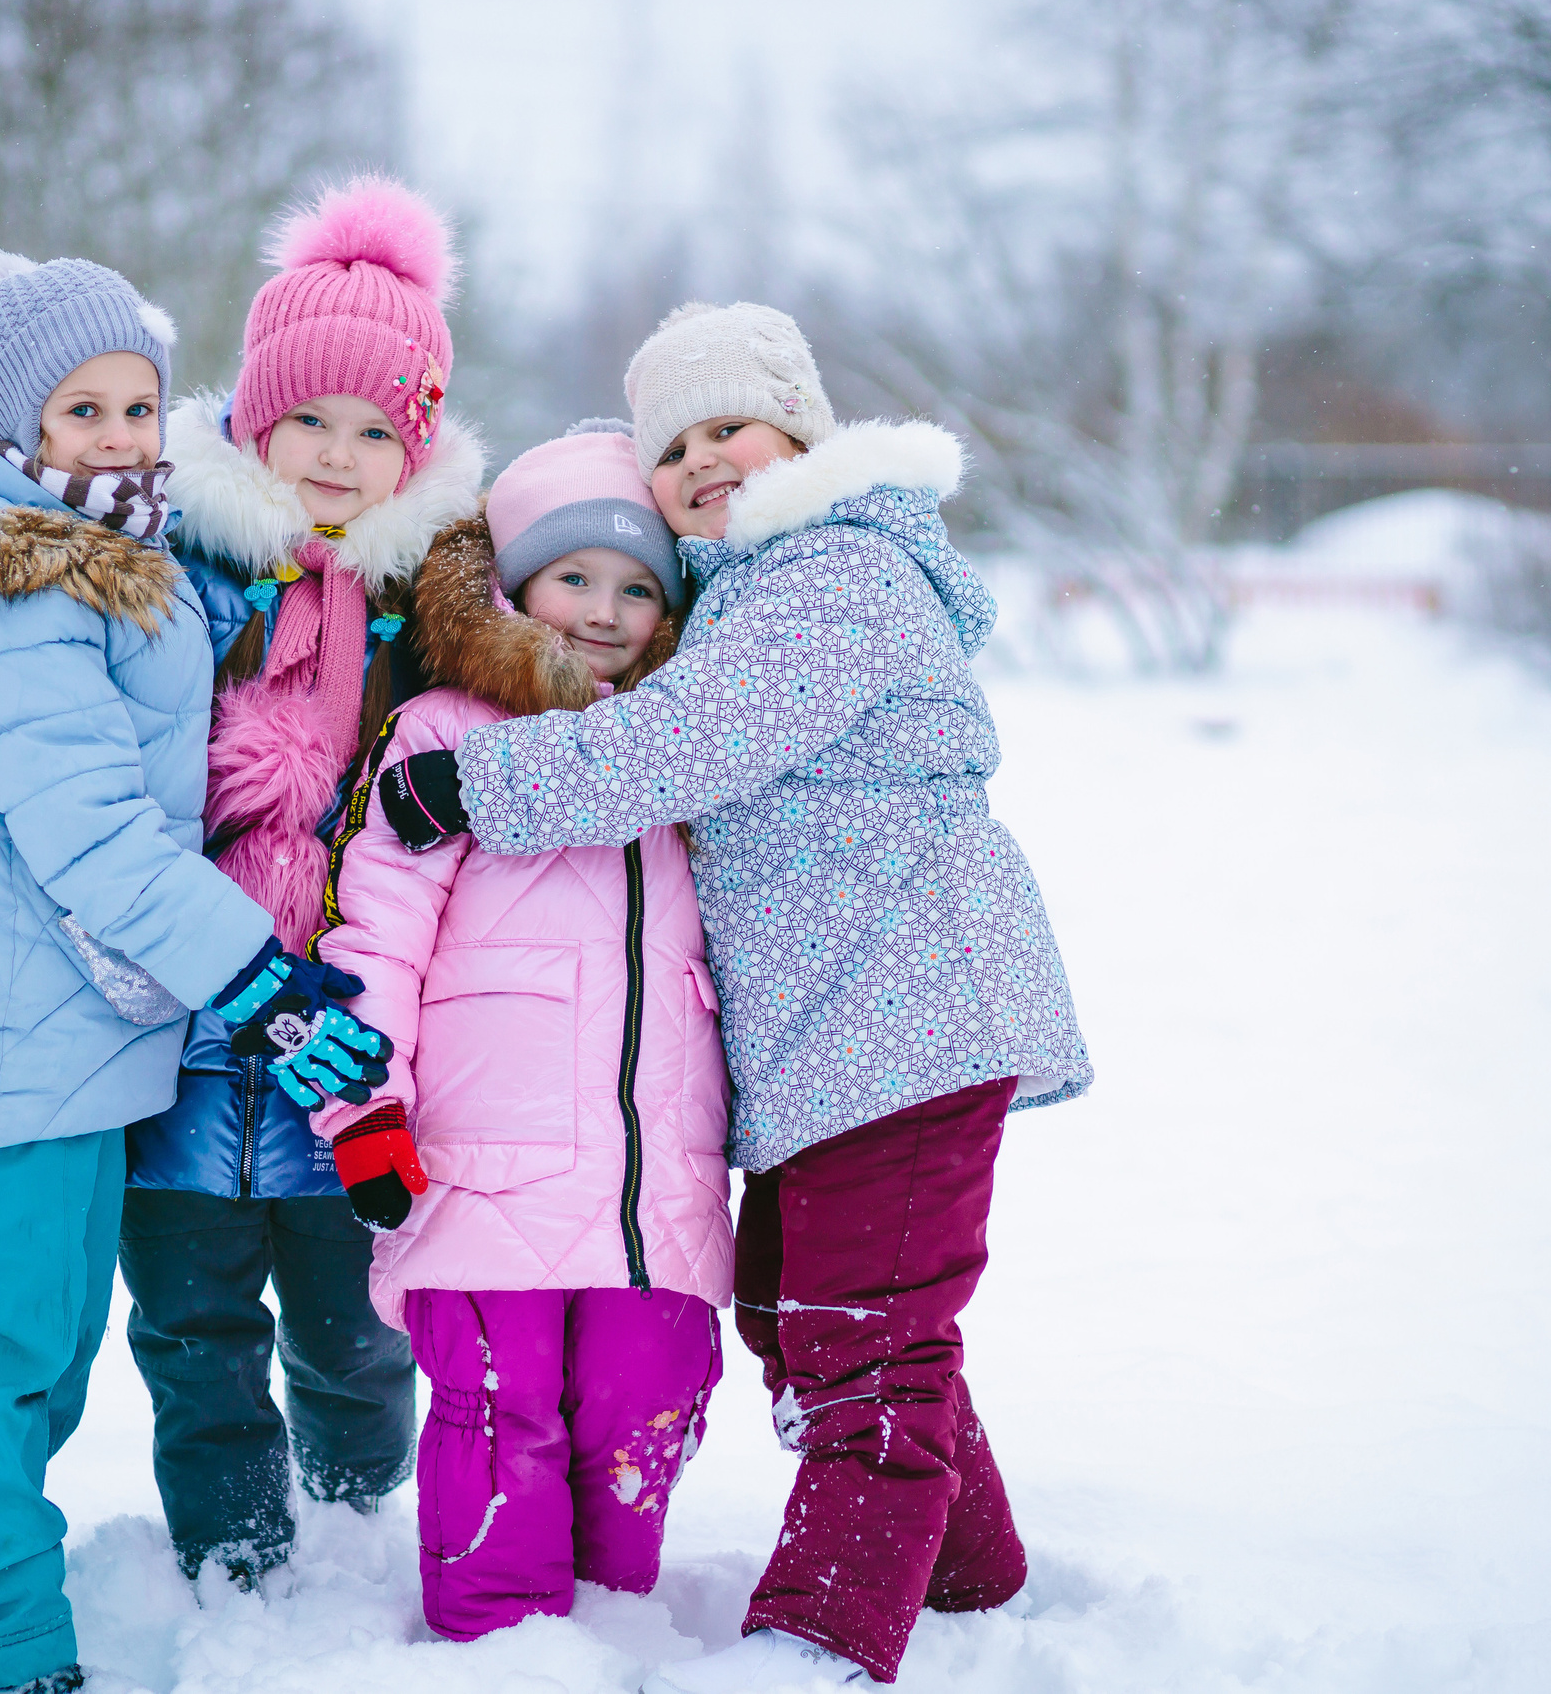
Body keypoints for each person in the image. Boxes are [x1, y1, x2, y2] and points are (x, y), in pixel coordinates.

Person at [368, 302, 1093, 1690]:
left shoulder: (836, 572)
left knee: (861, 1338)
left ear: (802, 432)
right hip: (838, 1035)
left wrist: (481, 781)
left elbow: (686, 743)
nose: (704, 459)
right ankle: (970, 1573)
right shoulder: (749, 588)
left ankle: (821, 1640)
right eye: (676, 443)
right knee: (802, 1307)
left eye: (730, 427)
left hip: (910, 1002)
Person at [0, 250, 387, 1694]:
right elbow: (96, 836)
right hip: (1, 1034)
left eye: (139, 402)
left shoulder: (107, 556)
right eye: (84, 411)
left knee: (25, 1352)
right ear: (19, 432)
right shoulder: (12, 585)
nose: (123, 435)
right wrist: (255, 981)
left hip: (67, 1039)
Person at [116, 176, 488, 1586]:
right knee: (195, 1327)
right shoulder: (174, 579)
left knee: (354, 1330)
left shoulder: (443, 610)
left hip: (358, 1044)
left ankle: (350, 1507)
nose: (336, 455)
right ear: (255, 419)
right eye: (308, 420)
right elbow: (60, 723)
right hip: (181, 1031)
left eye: (375, 429)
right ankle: (235, 1558)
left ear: (421, 443)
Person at [307, 419, 732, 1641]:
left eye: (636, 586)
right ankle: (500, 1647)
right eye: (574, 577)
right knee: (497, 1414)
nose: (603, 610)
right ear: (511, 582)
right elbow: (371, 936)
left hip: (655, 1176)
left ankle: (612, 1630)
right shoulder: (443, 733)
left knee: (642, 1404)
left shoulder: (690, 753)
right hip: (479, 1156)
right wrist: (362, 1109)